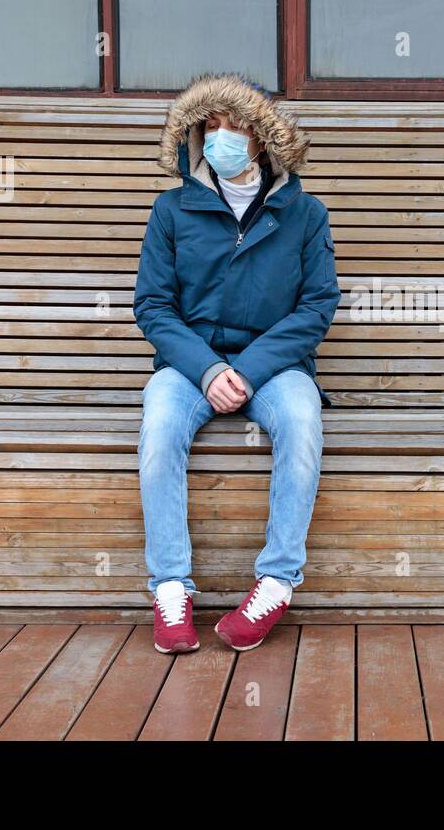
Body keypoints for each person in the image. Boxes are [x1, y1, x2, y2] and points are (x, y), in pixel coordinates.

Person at [133, 73, 339, 653]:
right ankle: (170, 590)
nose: (221, 137)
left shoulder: (305, 214)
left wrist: (247, 371)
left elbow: (317, 305)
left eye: (235, 126)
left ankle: (276, 582)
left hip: (274, 367)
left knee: (301, 424)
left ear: (261, 138)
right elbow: (153, 305)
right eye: (212, 126)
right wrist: (206, 370)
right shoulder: (173, 211)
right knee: (159, 429)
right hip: (190, 364)